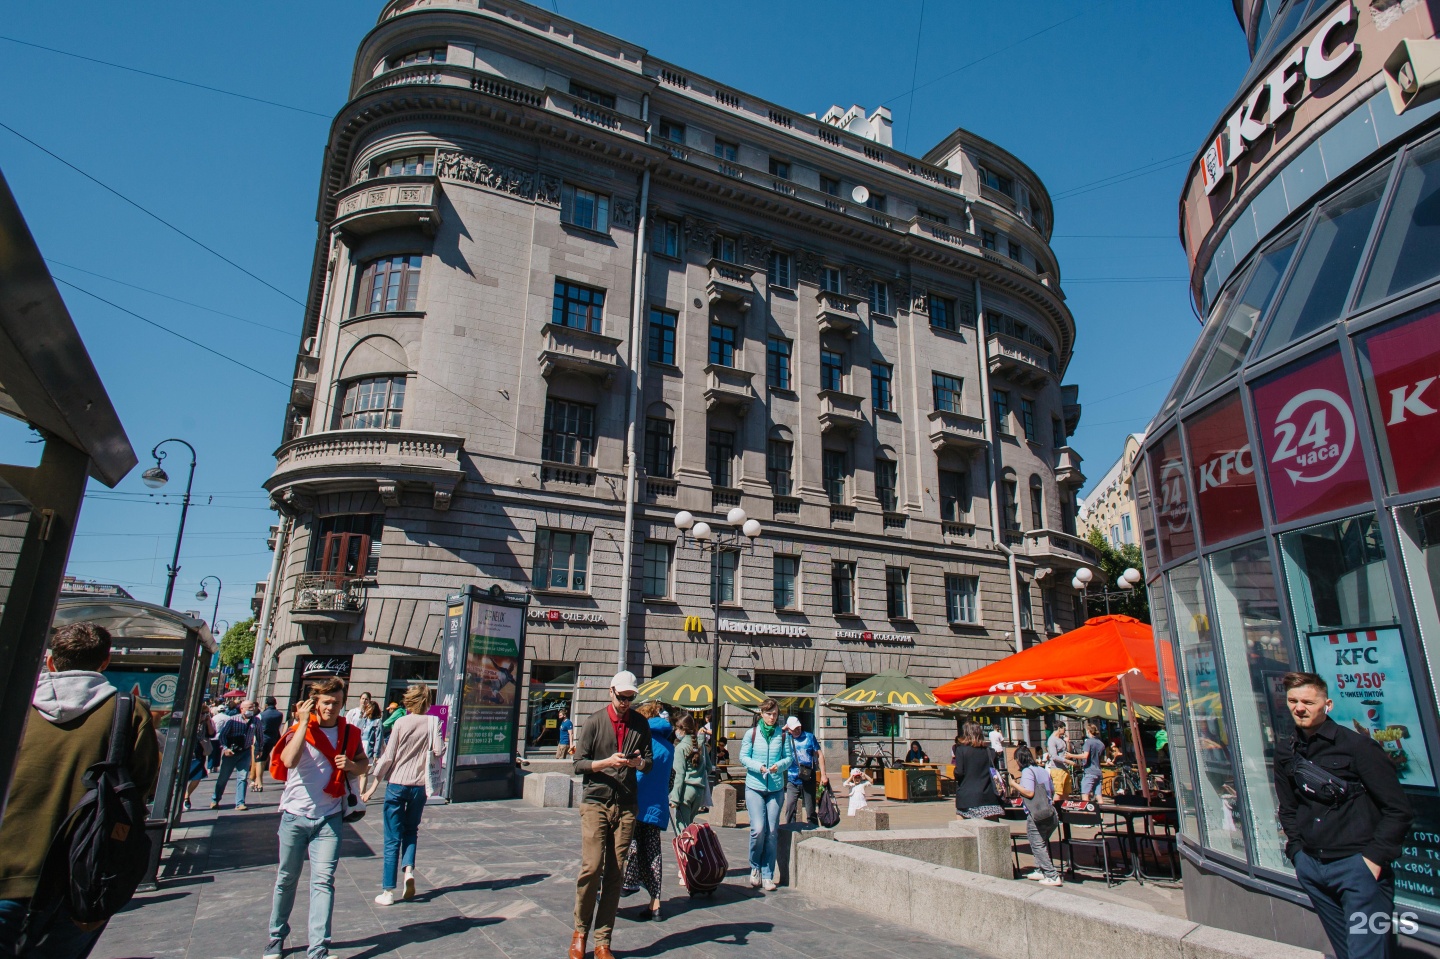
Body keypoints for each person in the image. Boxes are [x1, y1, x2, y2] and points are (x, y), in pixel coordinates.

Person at [0, 622, 160, 957]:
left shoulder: (14, 701)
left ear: (51, 662)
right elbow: (142, 786)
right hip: (80, 874)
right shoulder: (128, 712)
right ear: (105, 662)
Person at [1275, 672, 1413, 959]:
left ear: (1328, 704)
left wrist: (1372, 860)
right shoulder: (1286, 752)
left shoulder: (1358, 747)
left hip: (1358, 868)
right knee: (1346, 953)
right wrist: (1297, 852)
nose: (1299, 708)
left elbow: (1398, 809)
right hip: (1313, 867)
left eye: (1308, 702)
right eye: (1293, 701)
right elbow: (1288, 807)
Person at [263, 676, 368, 959]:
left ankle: (318, 948)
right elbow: (289, 761)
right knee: (286, 878)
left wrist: (352, 766)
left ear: (343, 703)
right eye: (325, 703)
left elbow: (363, 764)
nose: (330, 708)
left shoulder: (350, 732)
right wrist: (302, 722)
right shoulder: (300, 728)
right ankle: (275, 938)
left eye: (335, 702)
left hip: (329, 817)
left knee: (323, 881)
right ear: (315, 703)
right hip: (294, 815)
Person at [569, 671, 652, 959]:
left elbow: (649, 763)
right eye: (622, 697)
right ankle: (580, 931)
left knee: (616, 872)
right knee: (592, 868)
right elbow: (578, 764)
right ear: (611, 691)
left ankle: (603, 940)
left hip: (627, 804)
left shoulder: (641, 723)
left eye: (631, 698)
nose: (626, 702)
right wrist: (606, 762)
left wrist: (638, 762)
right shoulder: (594, 722)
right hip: (595, 802)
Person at [368, 684, 443, 906]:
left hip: (397, 784)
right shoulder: (433, 722)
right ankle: (408, 870)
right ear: (427, 702)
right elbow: (439, 751)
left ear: (409, 701)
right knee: (411, 831)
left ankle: (388, 891)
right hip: (420, 786)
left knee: (392, 838)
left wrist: (373, 784)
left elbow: (388, 756)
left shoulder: (401, 722)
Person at [622, 701, 673, 922]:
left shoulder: (641, 740)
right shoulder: (669, 745)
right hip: (657, 806)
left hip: (636, 803)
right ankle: (656, 905)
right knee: (653, 852)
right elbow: (670, 780)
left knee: (626, 846)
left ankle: (623, 886)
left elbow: (634, 774)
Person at [739, 698, 792, 892]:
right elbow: (743, 757)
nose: (772, 717)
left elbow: (789, 758)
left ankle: (768, 873)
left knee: (771, 832)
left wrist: (780, 766)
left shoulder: (783, 735)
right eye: (769, 713)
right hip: (754, 786)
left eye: (775, 714)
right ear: (761, 713)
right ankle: (755, 867)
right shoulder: (751, 734)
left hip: (776, 788)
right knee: (758, 829)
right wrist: (758, 767)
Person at [1010, 743, 1062, 886]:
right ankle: (1040, 869)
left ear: (1019, 759)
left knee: (1037, 844)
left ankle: (1052, 875)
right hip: (1051, 812)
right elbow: (1051, 790)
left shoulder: (1027, 772)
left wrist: (1013, 784)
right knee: (1042, 841)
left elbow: (1029, 792)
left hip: (1037, 814)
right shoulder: (1042, 770)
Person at [780, 716, 828, 827]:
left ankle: (814, 830)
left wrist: (823, 775)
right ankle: (790, 831)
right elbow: (774, 735)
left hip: (808, 778)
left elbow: (819, 755)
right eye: (794, 728)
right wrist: (784, 729)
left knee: (810, 810)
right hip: (792, 779)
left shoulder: (809, 737)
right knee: (790, 808)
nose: (797, 730)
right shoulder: (786, 738)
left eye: (798, 727)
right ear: (789, 729)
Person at [211, 698, 256, 810]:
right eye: (249, 707)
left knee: (242, 778)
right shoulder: (232, 720)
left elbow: (259, 736)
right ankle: (215, 799)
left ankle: (240, 803)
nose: (252, 709)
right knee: (223, 777)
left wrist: (259, 750)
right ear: (242, 709)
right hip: (231, 753)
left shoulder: (256, 721)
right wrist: (225, 748)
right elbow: (222, 736)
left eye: (253, 707)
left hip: (245, 752)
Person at [953, 723, 1004, 820]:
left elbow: (959, 772)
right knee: (992, 832)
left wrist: (955, 773)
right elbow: (994, 773)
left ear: (965, 734)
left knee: (963, 830)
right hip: (989, 797)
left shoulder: (961, 750)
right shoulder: (991, 752)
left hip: (967, 797)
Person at [669, 712, 709, 830]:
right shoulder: (701, 744)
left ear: (682, 729)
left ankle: (687, 849)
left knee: (682, 829)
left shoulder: (680, 748)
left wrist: (675, 798)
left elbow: (679, 774)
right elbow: (709, 768)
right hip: (699, 791)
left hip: (685, 791)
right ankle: (692, 848)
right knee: (690, 827)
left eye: (676, 728)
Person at [185, 708, 217, 811]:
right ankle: (182, 796)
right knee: (184, 776)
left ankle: (186, 796)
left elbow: (212, 734)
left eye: (204, 713)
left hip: (200, 752)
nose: (202, 715)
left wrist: (207, 722)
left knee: (197, 777)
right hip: (187, 752)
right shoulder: (188, 721)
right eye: (201, 713)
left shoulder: (207, 722)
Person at [1066, 722, 1106, 803]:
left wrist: (1071, 755)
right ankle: (1102, 814)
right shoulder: (1101, 743)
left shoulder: (1088, 742)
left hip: (1089, 771)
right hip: (1098, 771)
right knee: (1098, 795)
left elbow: (1085, 755)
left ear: (1088, 731)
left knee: (1085, 794)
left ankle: (1087, 814)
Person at [254, 697, 285, 792]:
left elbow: (257, 728)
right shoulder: (279, 714)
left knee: (259, 760)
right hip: (273, 738)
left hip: (262, 739)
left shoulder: (261, 715)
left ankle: (259, 782)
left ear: (266, 704)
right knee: (265, 758)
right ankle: (258, 781)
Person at [356, 699, 384, 799]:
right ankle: (362, 793)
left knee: (363, 773)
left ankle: (361, 794)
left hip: (369, 747)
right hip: (360, 746)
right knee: (360, 773)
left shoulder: (377, 722)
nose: (368, 710)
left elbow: (378, 738)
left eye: (370, 708)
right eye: (367, 708)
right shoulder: (363, 720)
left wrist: (376, 754)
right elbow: (357, 732)